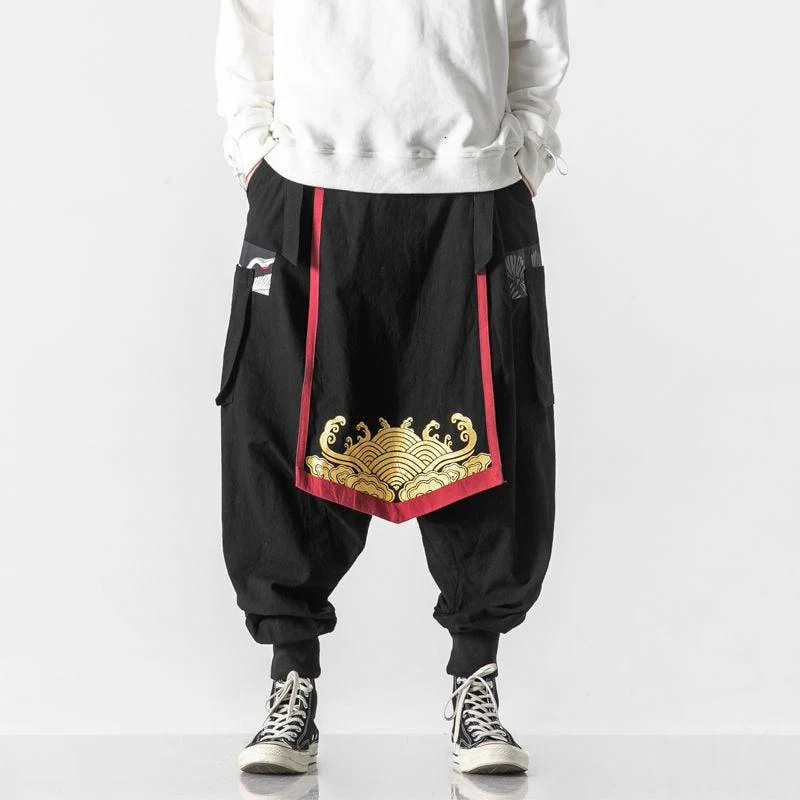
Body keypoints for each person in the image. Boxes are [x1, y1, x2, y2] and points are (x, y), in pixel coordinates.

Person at [214, 0, 569, 777]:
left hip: (472, 179)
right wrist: (253, 154)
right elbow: (248, 22)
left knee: (495, 425)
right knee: (278, 424)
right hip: (308, 177)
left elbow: (535, 25)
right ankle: (290, 684)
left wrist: (527, 155)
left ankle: (476, 680)